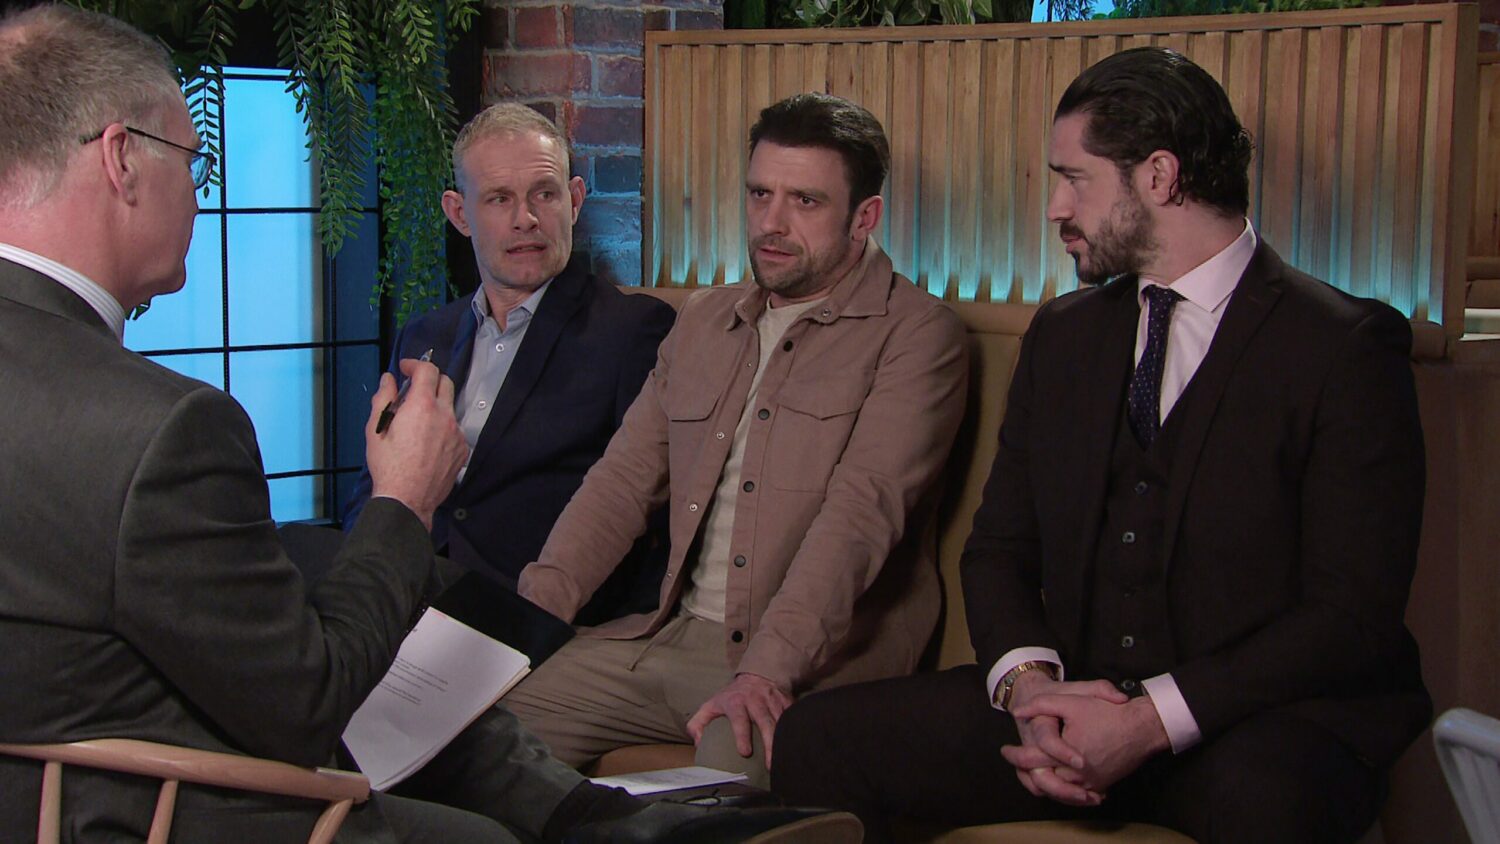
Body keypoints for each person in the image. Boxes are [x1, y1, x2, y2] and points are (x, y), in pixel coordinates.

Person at [0, 6, 857, 842]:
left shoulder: (636, 330)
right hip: (129, 795)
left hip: (120, 730)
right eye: (192, 154)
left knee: (340, 596)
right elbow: (303, 703)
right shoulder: (167, 429)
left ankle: (606, 820)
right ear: (120, 160)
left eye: (543, 194)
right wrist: (403, 499)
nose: (202, 182)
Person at [772, 47, 1431, 844]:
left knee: (1271, 805)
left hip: (1253, 723)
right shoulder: (1065, 335)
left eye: (1074, 178)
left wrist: (1153, 719)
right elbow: (999, 549)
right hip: (1073, 700)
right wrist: (1031, 690)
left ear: (1159, 176)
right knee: (818, 738)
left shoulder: (1342, 346)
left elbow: (1350, 616)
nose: (1054, 206)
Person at [507, 92, 969, 787]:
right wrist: (528, 620)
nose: (772, 224)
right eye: (760, 193)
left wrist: (765, 671)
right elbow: (621, 482)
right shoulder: (705, 319)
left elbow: (859, 517)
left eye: (806, 202)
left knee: (716, 804)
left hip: (810, 663)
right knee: (472, 738)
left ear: (864, 217)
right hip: (665, 638)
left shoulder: (917, 335)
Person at [341, 104, 674, 624]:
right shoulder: (425, 334)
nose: (527, 219)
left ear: (575, 200)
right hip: (403, 604)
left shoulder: (633, 331)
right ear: (459, 214)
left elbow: (645, 510)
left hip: (528, 613)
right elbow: (375, 484)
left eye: (545, 193)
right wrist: (360, 584)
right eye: (500, 199)